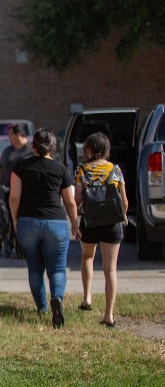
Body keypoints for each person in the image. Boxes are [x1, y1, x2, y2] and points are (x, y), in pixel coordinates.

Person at [8, 129, 80, 328]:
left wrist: (15, 221)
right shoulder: (61, 169)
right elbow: (70, 202)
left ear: (33, 146)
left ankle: (42, 308)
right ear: (54, 148)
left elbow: (14, 198)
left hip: (27, 223)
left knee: (34, 268)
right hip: (55, 224)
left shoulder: (21, 167)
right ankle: (56, 297)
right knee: (57, 268)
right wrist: (75, 224)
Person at [74, 132, 128, 327]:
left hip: (90, 222)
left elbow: (77, 200)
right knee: (110, 269)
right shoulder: (116, 170)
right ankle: (109, 315)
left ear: (88, 150)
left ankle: (87, 297)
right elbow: (124, 201)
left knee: (87, 257)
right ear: (106, 150)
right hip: (112, 223)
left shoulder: (82, 170)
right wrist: (122, 217)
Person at [0, 123, 32, 203]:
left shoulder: (32, 150)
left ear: (18, 134)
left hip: (28, 191)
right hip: (8, 190)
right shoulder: (7, 151)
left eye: (11, 134)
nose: (9, 138)